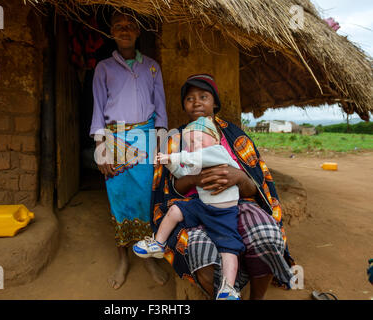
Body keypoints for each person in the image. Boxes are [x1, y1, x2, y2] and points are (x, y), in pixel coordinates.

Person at [150, 74, 295, 299]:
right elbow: (170, 189)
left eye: (203, 96)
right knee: (198, 250)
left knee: (267, 237)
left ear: (214, 102)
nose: (196, 102)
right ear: (184, 105)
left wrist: (238, 177)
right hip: (194, 207)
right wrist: (195, 180)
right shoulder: (176, 139)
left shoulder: (236, 136)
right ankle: (223, 292)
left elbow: (257, 187)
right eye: (189, 98)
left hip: (239, 204)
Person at [89, 10, 169, 290]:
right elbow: (98, 110)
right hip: (114, 142)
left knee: (147, 199)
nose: (124, 30)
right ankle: (122, 259)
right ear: (111, 32)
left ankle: (146, 256)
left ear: (138, 32)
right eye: (119, 26)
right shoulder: (103, 68)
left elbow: (160, 111)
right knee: (119, 201)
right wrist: (101, 149)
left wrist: (161, 145)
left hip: (146, 141)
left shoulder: (152, 67)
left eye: (130, 26)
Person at [133, 116, 244, 300]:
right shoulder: (196, 158)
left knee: (228, 248)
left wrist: (174, 156)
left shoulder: (218, 151)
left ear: (215, 140)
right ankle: (158, 243)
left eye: (200, 139)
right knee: (175, 210)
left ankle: (229, 288)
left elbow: (195, 156)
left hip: (223, 213)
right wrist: (170, 163)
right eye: (191, 142)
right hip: (202, 206)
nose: (195, 144)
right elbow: (182, 172)